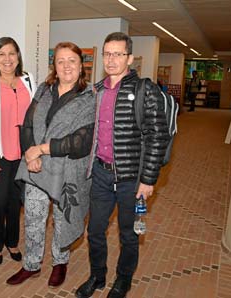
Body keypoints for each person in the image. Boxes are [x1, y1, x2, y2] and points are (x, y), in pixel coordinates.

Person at [75, 32, 169, 298]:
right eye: (107, 53)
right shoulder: (97, 90)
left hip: (131, 179)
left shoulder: (144, 89)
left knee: (128, 234)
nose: (111, 59)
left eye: (118, 54)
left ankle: (123, 280)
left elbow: (157, 136)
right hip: (101, 176)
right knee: (95, 230)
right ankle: (97, 276)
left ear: (129, 57)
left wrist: (148, 180)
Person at [6, 42, 95, 288]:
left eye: (72, 61)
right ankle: (31, 264)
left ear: (81, 66)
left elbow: (82, 141)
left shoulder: (89, 98)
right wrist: (30, 155)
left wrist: (41, 149)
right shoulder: (44, 91)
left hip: (68, 170)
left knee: (62, 217)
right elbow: (28, 124)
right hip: (36, 167)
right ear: (54, 66)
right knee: (34, 217)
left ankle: (60, 262)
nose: (66, 66)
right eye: (61, 61)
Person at [0, 37, 36, 265]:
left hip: (23, 154)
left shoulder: (28, 80)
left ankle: (12, 242)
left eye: (11, 53)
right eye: (1, 54)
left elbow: (35, 116)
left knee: (15, 202)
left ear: (18, 56)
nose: (7, 59)